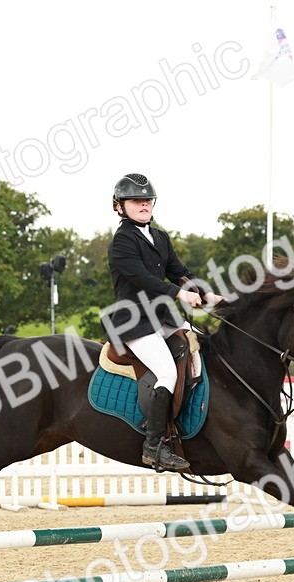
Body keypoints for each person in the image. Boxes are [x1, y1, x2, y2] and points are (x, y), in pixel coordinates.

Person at [101, 173, 221, 471]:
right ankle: (153, 446)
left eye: (147, 200)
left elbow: (179, 270)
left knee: (197, 348)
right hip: (135, 320)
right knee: (166, 372)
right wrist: (179, 293)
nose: (144, 205)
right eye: (136, 201)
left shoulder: (159, 237)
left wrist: (208, 294)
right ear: (120, 206)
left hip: (162, 316)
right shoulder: (122, 241)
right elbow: (141, 278)